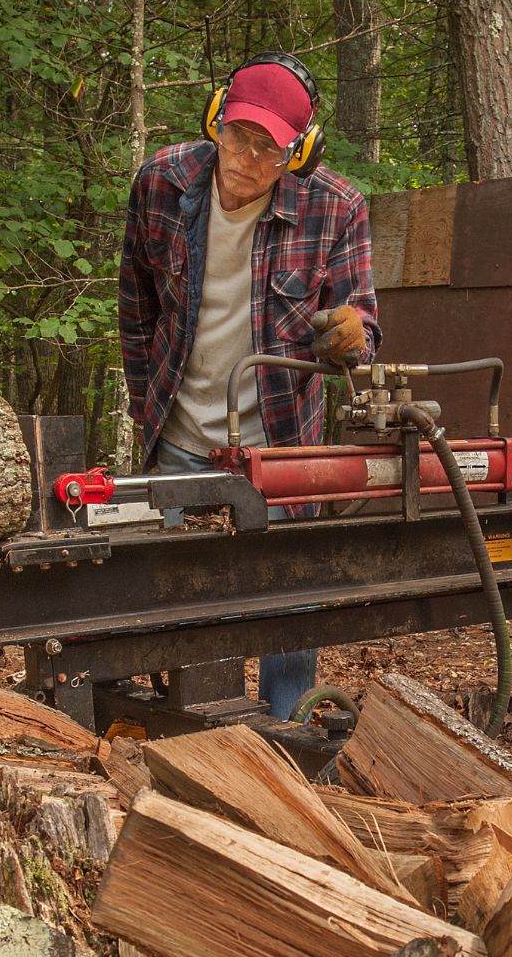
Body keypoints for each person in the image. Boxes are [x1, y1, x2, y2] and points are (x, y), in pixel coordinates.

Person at [117, 51, 381, 718]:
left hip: (283, 444)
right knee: (187, 609)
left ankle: (289, 748)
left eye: (271, 149)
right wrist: (149, 409)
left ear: (303, 152)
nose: (248, 160)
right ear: (216, 121)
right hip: (179, 437)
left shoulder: (337, 210)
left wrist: (354, 334)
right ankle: (202, 748)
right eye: (238, 136)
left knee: (289, 609)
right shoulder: (161, 184)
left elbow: (365, 325)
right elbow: (136, 304)